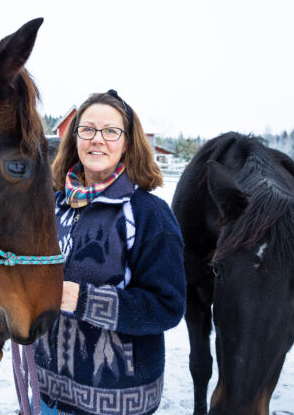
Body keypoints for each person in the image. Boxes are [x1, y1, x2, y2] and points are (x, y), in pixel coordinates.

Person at [34, 90, 186, 415]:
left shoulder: (149, 214)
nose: (97, 140)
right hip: (45, 389)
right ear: (75, 138)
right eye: (87, 129)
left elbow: (167, 307)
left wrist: (81, 299)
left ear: (128, 142)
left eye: (111, 131)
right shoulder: (51, 205)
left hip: (117, 400)